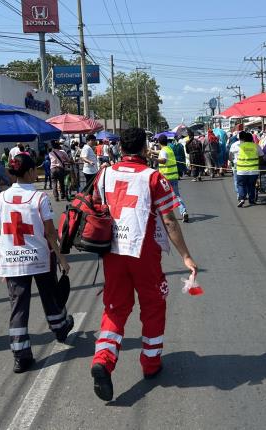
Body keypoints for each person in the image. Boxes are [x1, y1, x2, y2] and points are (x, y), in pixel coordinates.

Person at [90, 128, 198, 401]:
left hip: (112, 253)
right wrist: (185, 255)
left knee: (114, 308)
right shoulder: (153, 178)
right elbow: (170, 221)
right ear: (143, 149)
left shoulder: (104, 174)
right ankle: (150, 364)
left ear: (121, 149)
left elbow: (95, 207)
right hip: (143, 254)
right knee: (153, 306)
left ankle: (103, 360)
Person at [0, 153, 75, 373]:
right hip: (39, 257)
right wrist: (61, 258)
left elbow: (2, 226)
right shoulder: (39, 198)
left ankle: (20, 355)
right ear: (31, 172)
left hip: (12, 259)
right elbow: (50, 232)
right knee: (50, 296)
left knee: (18, 307)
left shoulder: (2, 197)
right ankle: (60, 329)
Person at [155, 134, 189, 222]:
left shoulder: (163, 151)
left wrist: (154, 159)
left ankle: (164, 215)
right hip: (174, 176)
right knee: (177, 195)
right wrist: (151, 151)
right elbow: (162, 153)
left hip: (165, 178)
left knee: (162, 196)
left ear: (159, 142)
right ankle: (183, 212)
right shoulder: (169, 149)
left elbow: (164, 160)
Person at [233, 131, 263, 208]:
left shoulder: (239, 146)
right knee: (251, 185)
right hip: (253, 170)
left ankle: (242, 199)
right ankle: (251, 200)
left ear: (244, 139)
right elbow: (261, 156)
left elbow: (233, 156)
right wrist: (259, 164)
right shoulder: (256, 146)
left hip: (241, 171)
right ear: (252, 139)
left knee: (241, 185)